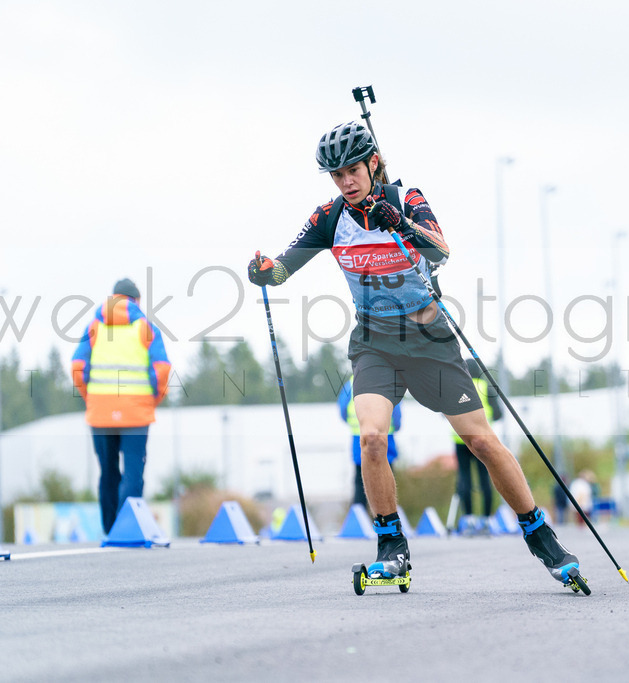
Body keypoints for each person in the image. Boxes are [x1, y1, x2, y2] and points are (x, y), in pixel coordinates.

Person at [247, 121, 581, 587]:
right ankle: (391, 546)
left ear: (373, 163)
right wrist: (266, 271)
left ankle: (540, 535)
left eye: (352, 170)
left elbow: (441, 252)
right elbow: (285, 267)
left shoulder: (407, 199)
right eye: (336, 175)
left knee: (481, 443)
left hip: (429, 341)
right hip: (374, 343)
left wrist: (400, 224)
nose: (345, 181)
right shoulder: (329, 217)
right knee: (371, 438)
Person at [71, 278, 171, 534]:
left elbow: (77, 367)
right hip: (136, 412)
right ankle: (127, 529)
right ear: (136, 300)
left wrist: (91, 399)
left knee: (108, 472)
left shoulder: (94, 326)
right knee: (133, 472)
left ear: (114, 297)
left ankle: (110, 530)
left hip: (100, 413)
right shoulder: (145, 327)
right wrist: (152, 400)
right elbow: (161, 369)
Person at [453, 358, 501, 535]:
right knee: (484, 479)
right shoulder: (486, 387)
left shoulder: (455, 386)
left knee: (465, 478)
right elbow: (498, 414)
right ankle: (487, 520)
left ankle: (469, 520)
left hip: (460, 439)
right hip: (482, 438)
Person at [338, 375, 401, 508]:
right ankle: (385, 515)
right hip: (385, 437)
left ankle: (359, 514)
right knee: (386, 480)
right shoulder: (389, 380)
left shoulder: (351, 383)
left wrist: (356, 424)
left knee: (360, 481)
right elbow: (396, 413)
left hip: (360, 438)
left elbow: (343, 410)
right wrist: (394, 426)